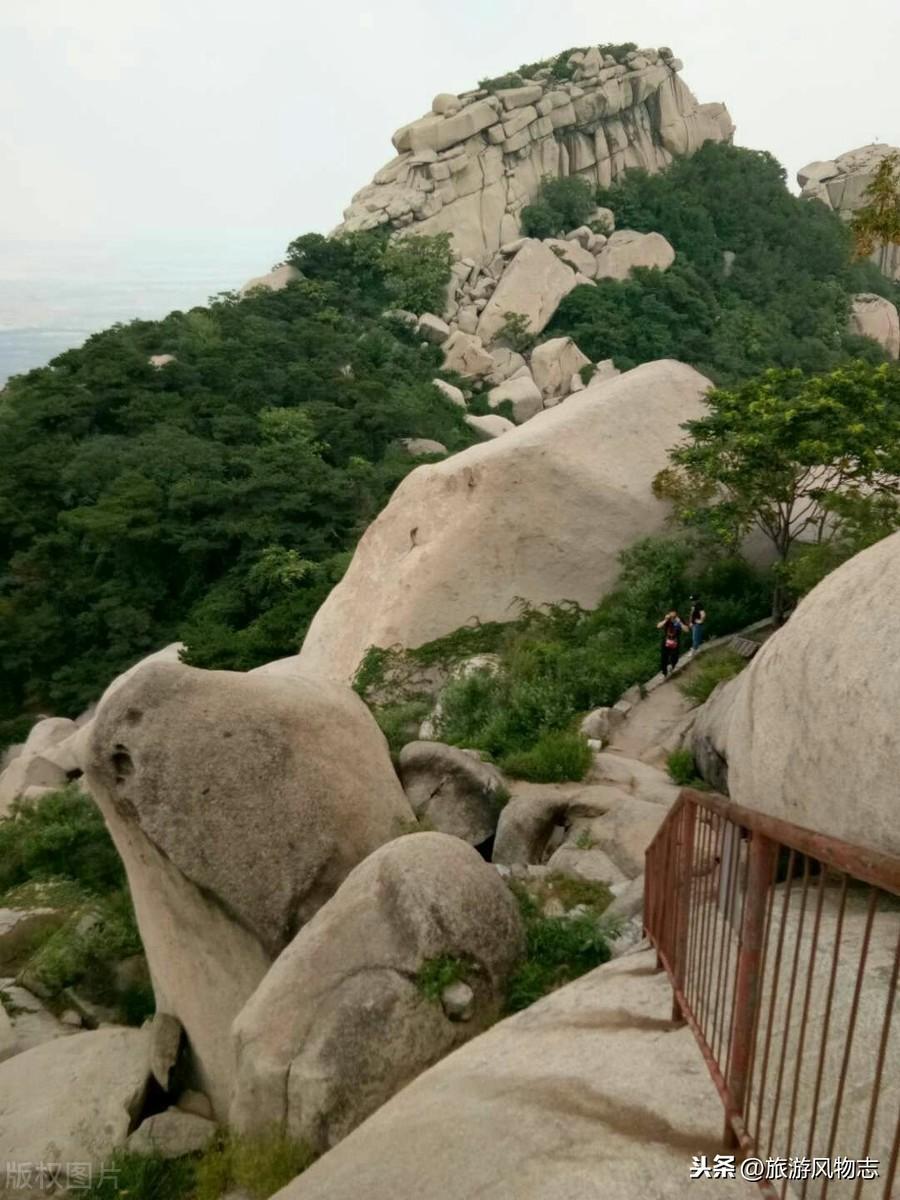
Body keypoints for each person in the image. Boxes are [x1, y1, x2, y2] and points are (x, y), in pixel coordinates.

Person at [657, 610, 684, 677]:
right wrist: (665, 620)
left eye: (674, 616)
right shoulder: (667, 620)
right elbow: (658, 626)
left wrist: (680, 622)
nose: (672, 617)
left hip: (675, 641)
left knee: (675, 657)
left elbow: (686, 630)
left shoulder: (679, 620)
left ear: (676, 615)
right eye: (671, 616)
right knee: (664, 658)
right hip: (666, 640)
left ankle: (672, 666)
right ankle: (664, 673)